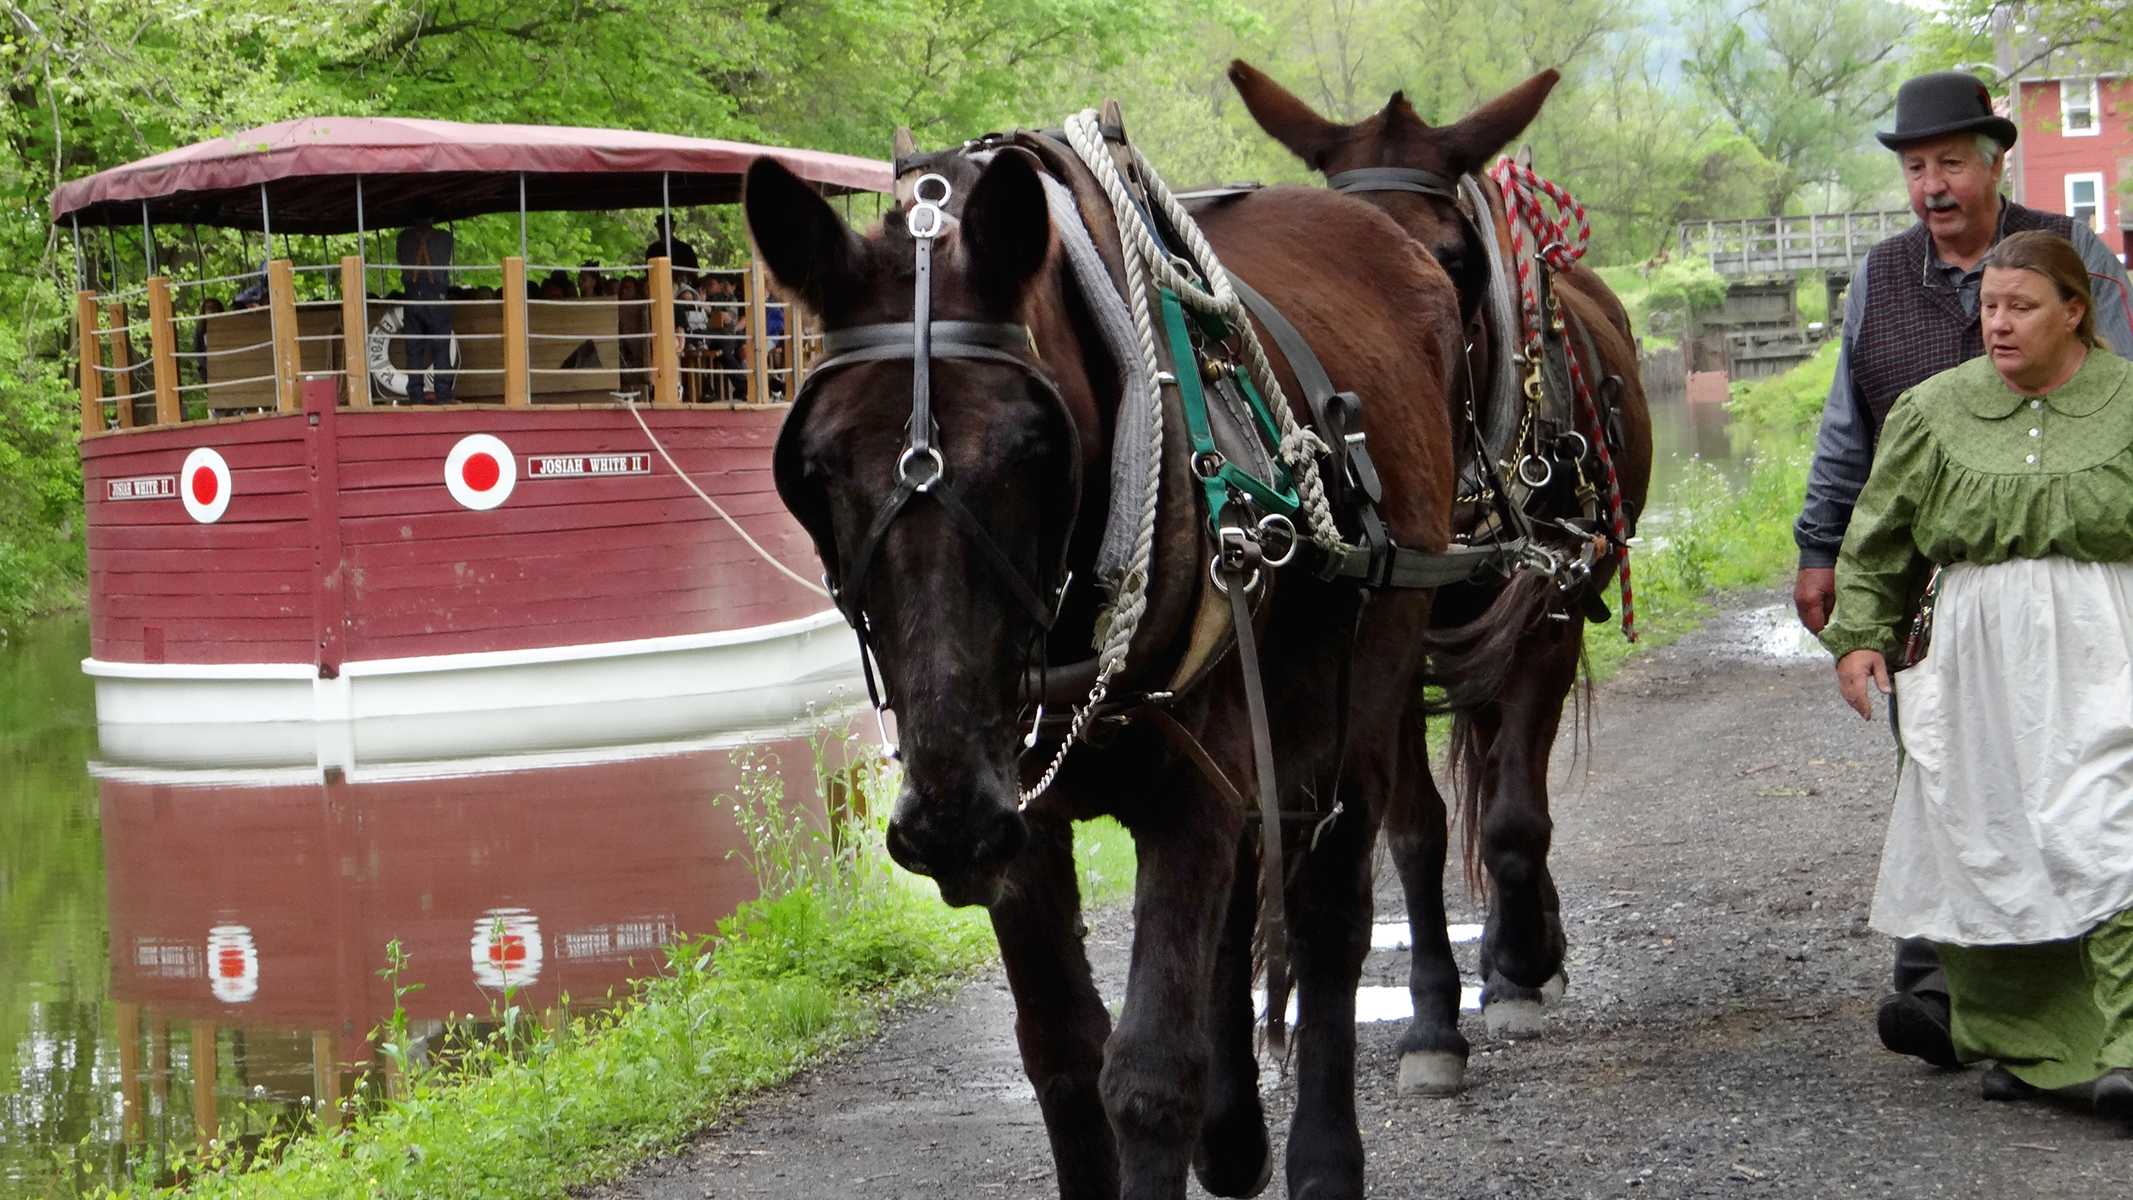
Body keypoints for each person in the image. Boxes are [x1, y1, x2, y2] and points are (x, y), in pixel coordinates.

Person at [1791, 71, 2133, 1068]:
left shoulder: (2083, 262)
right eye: (1914, 167)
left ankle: (2101, 1021)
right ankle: (1952, 1003)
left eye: (1949, 162)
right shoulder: (1883, 280)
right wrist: (1827, 557)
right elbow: (1851, 436)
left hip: (2095, 609)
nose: (1932, 185)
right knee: (1958, 787)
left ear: (1993, 162)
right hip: (1958, 605)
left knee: (2094, 805)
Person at [395, 206, 455, 404]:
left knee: (413, 349)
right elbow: (447, 259)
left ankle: (416, 396)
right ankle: (443, 396)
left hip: (412, 295)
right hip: (436, 295)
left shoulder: (403, 239)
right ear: (433, 216)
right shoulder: (445, 237)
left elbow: (401, 260)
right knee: (441, 348)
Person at [645, 215, 700, 288]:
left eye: (668, 227)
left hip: (683, 286)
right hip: (659, 285)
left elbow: (694, 271)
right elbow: (648, 272)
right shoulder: (652, 250)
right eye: (661, 228)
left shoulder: (685, 249)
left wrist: (682, 278)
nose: (664, 231)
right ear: (657, 228)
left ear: (673, 227)